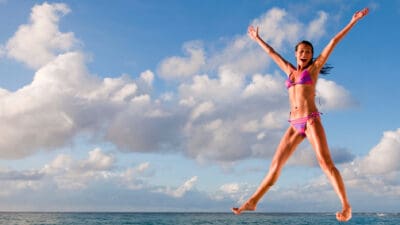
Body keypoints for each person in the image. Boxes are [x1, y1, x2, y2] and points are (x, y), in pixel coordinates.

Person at [232, 8, 369, 222]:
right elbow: (272, 53)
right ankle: (253, 201)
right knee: (275, 166)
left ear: (311, 55)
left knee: (325, 163)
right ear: (296, 53)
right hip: (293, 124)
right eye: (301, 51)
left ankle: (346, 206)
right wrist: (257, 38)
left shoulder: (313, 70)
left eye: (308, 52)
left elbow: (333, 41)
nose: (305, 54)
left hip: (311, 119)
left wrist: (353, 22)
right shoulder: (289, 70)